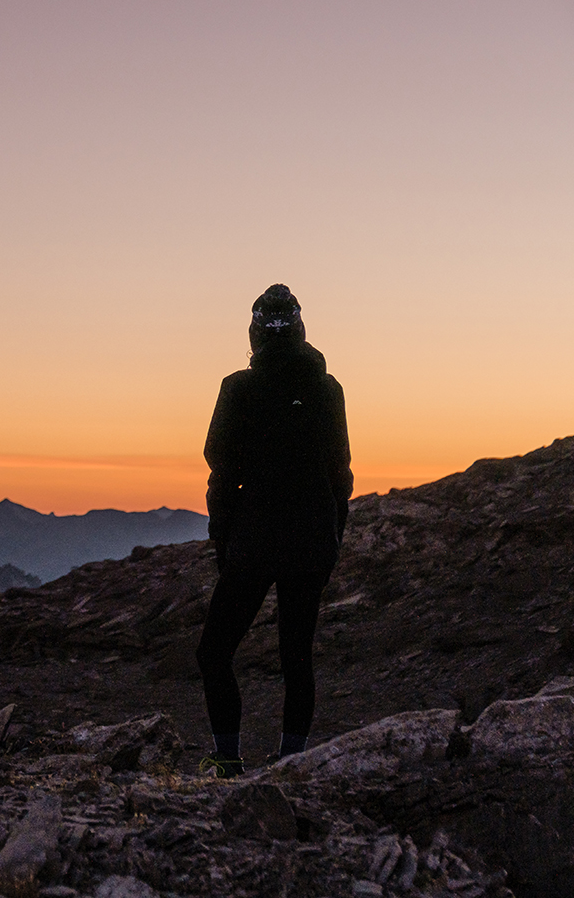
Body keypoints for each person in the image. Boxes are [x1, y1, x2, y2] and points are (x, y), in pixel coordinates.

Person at [195, 284, 352, 777]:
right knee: (296, 655)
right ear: (301, 329)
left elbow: (221, 468)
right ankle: (292, 762)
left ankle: (226, 760)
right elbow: (340, 474)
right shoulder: (328, 390)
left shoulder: (237, 388)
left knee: (215, 651)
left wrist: (223, 538)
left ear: (255, 333)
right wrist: (333, 539)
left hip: (253, 543)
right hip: (309, 542)